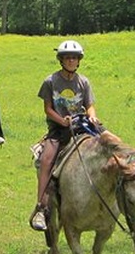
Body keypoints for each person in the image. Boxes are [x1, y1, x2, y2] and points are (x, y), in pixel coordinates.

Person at [29, 39, 102, 231]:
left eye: (74, 58)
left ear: (79, 60)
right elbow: (47, 109)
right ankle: (41, 209)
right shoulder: (50, 81)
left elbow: (90, 105)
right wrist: (61, 120)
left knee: (109, 144)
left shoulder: (83, 82)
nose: (71, 61)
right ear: (61, 60)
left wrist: (92, 117)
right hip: (59, 129)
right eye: (67, 58)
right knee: (46, 160)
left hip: (81, 125)